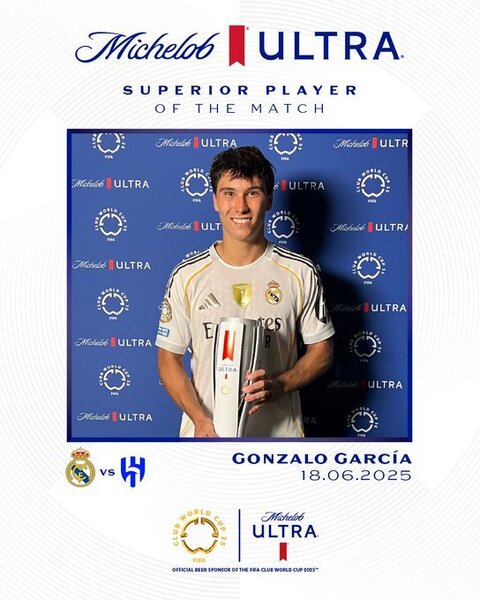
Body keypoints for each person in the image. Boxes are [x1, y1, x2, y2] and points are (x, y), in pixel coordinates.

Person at [156, 146, 334, 437]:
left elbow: (322, 350)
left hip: (279, 441)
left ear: (269, 199)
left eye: (252, 193)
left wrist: (281, 385)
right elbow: (168, 358)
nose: (240, 207)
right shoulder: (187, 276)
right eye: (229, 193)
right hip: (208, 439)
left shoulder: (299, 272)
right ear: (215, 200)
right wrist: (200, 419)